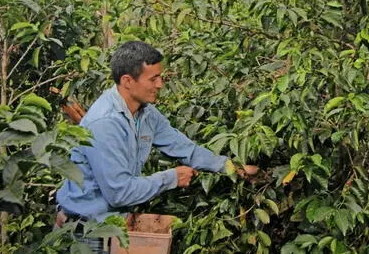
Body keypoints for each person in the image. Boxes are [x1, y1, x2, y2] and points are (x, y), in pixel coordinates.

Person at [55, 41, 258, 252]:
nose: (160, 84)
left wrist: (232, 167)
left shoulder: (147, 114)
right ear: (127, 81)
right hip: (85, 233)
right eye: (153, 78)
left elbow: (185, 148)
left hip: (112, 227)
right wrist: (172, 178)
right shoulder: (105, 122)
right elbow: (119, 193)